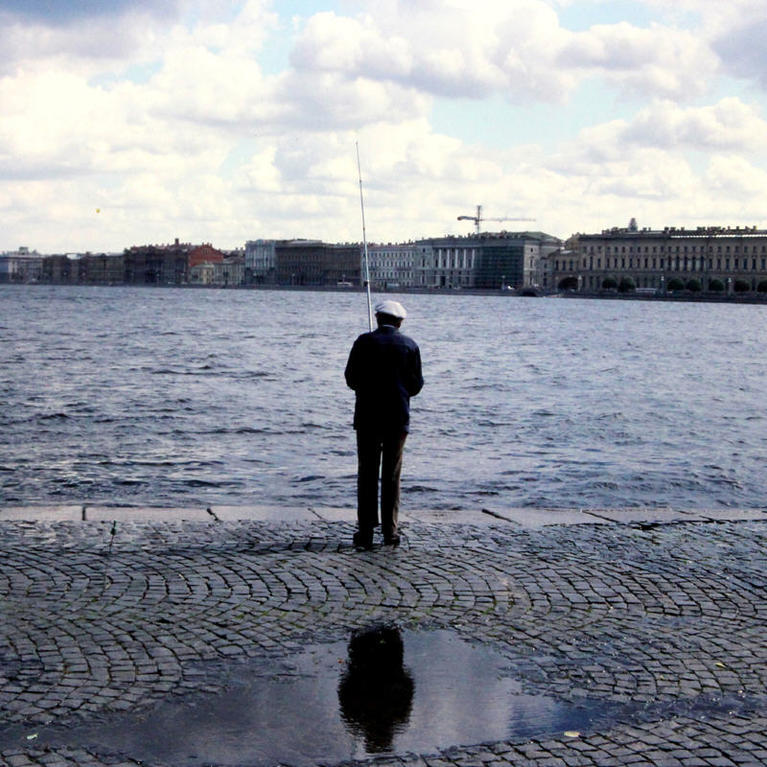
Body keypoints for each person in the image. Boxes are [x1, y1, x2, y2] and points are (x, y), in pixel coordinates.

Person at [344, 299, 423, 549]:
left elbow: (351, 378)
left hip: (367, 416)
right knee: (392, 475)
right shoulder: (410, 345)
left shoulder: (363, 342)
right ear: (399, 322)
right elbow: (416, 385)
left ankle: (365, 531)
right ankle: (390, 532)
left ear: (378, 319)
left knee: (367, 473)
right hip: (397, 418)